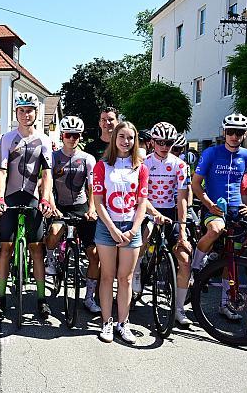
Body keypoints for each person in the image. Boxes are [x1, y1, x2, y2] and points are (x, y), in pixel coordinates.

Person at [190, 113, 247, 321]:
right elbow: (196, 183)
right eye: (230, 132)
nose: (234, 136)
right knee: (215, 230)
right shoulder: (212, 153)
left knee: (232, 259)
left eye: (239, 132)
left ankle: (225, 304)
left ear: (244, 134)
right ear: (224, 132)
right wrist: (208, 204)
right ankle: (197, 266)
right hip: (214, 207)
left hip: (236, 208)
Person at [0, 92, 55, 319]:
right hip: (11, 197)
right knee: (6, 248)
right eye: (22, 110)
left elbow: (46, 173)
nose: (26, 114)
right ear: (16, 113)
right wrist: (0, 198)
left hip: (32, 198)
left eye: (30, 110)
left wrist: (45, 199)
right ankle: (0, 296)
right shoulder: (8, 138)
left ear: (36, 113)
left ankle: (41, 298)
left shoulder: (44, 140)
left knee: (37, 249)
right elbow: (1, 170)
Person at [93, 121, 149, 344]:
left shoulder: (141, 167)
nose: (126, 141)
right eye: (122, 137)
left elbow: (142, 203)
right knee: (107, 277)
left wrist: (134, 229)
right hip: (108, 228)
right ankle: (106, 322)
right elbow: (98, 203)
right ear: (114, 138)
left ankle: (123, 323)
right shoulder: (102, 166)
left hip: (130, 228)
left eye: (130, 138)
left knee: (125, 279)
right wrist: (113, 229)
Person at [139, 122, 192, 326]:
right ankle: (136, 272)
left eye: (168, 142)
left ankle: (179, 309)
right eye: (160, 142)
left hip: (171, 211)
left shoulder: (180, 165)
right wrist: (152, 213)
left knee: (185, 259)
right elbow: (140, 194)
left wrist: (183, 232)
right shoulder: (144, 162)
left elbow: (182, 199)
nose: (164, 146)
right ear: (152, 141)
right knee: (143, 237)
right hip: (147, 208)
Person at [46, 116, 100, 313]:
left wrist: (92, 209)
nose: (72, 139)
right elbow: (48, 184)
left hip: (81, 206)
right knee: (54, 232)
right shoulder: (53, 157)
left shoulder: (88, 159)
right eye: (68, 135)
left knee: (94, 256)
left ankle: (89, 297)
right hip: (60, 204)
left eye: (76, 135)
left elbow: (92, 186)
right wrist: (52, 205)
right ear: (62, 136)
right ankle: (50, 259)